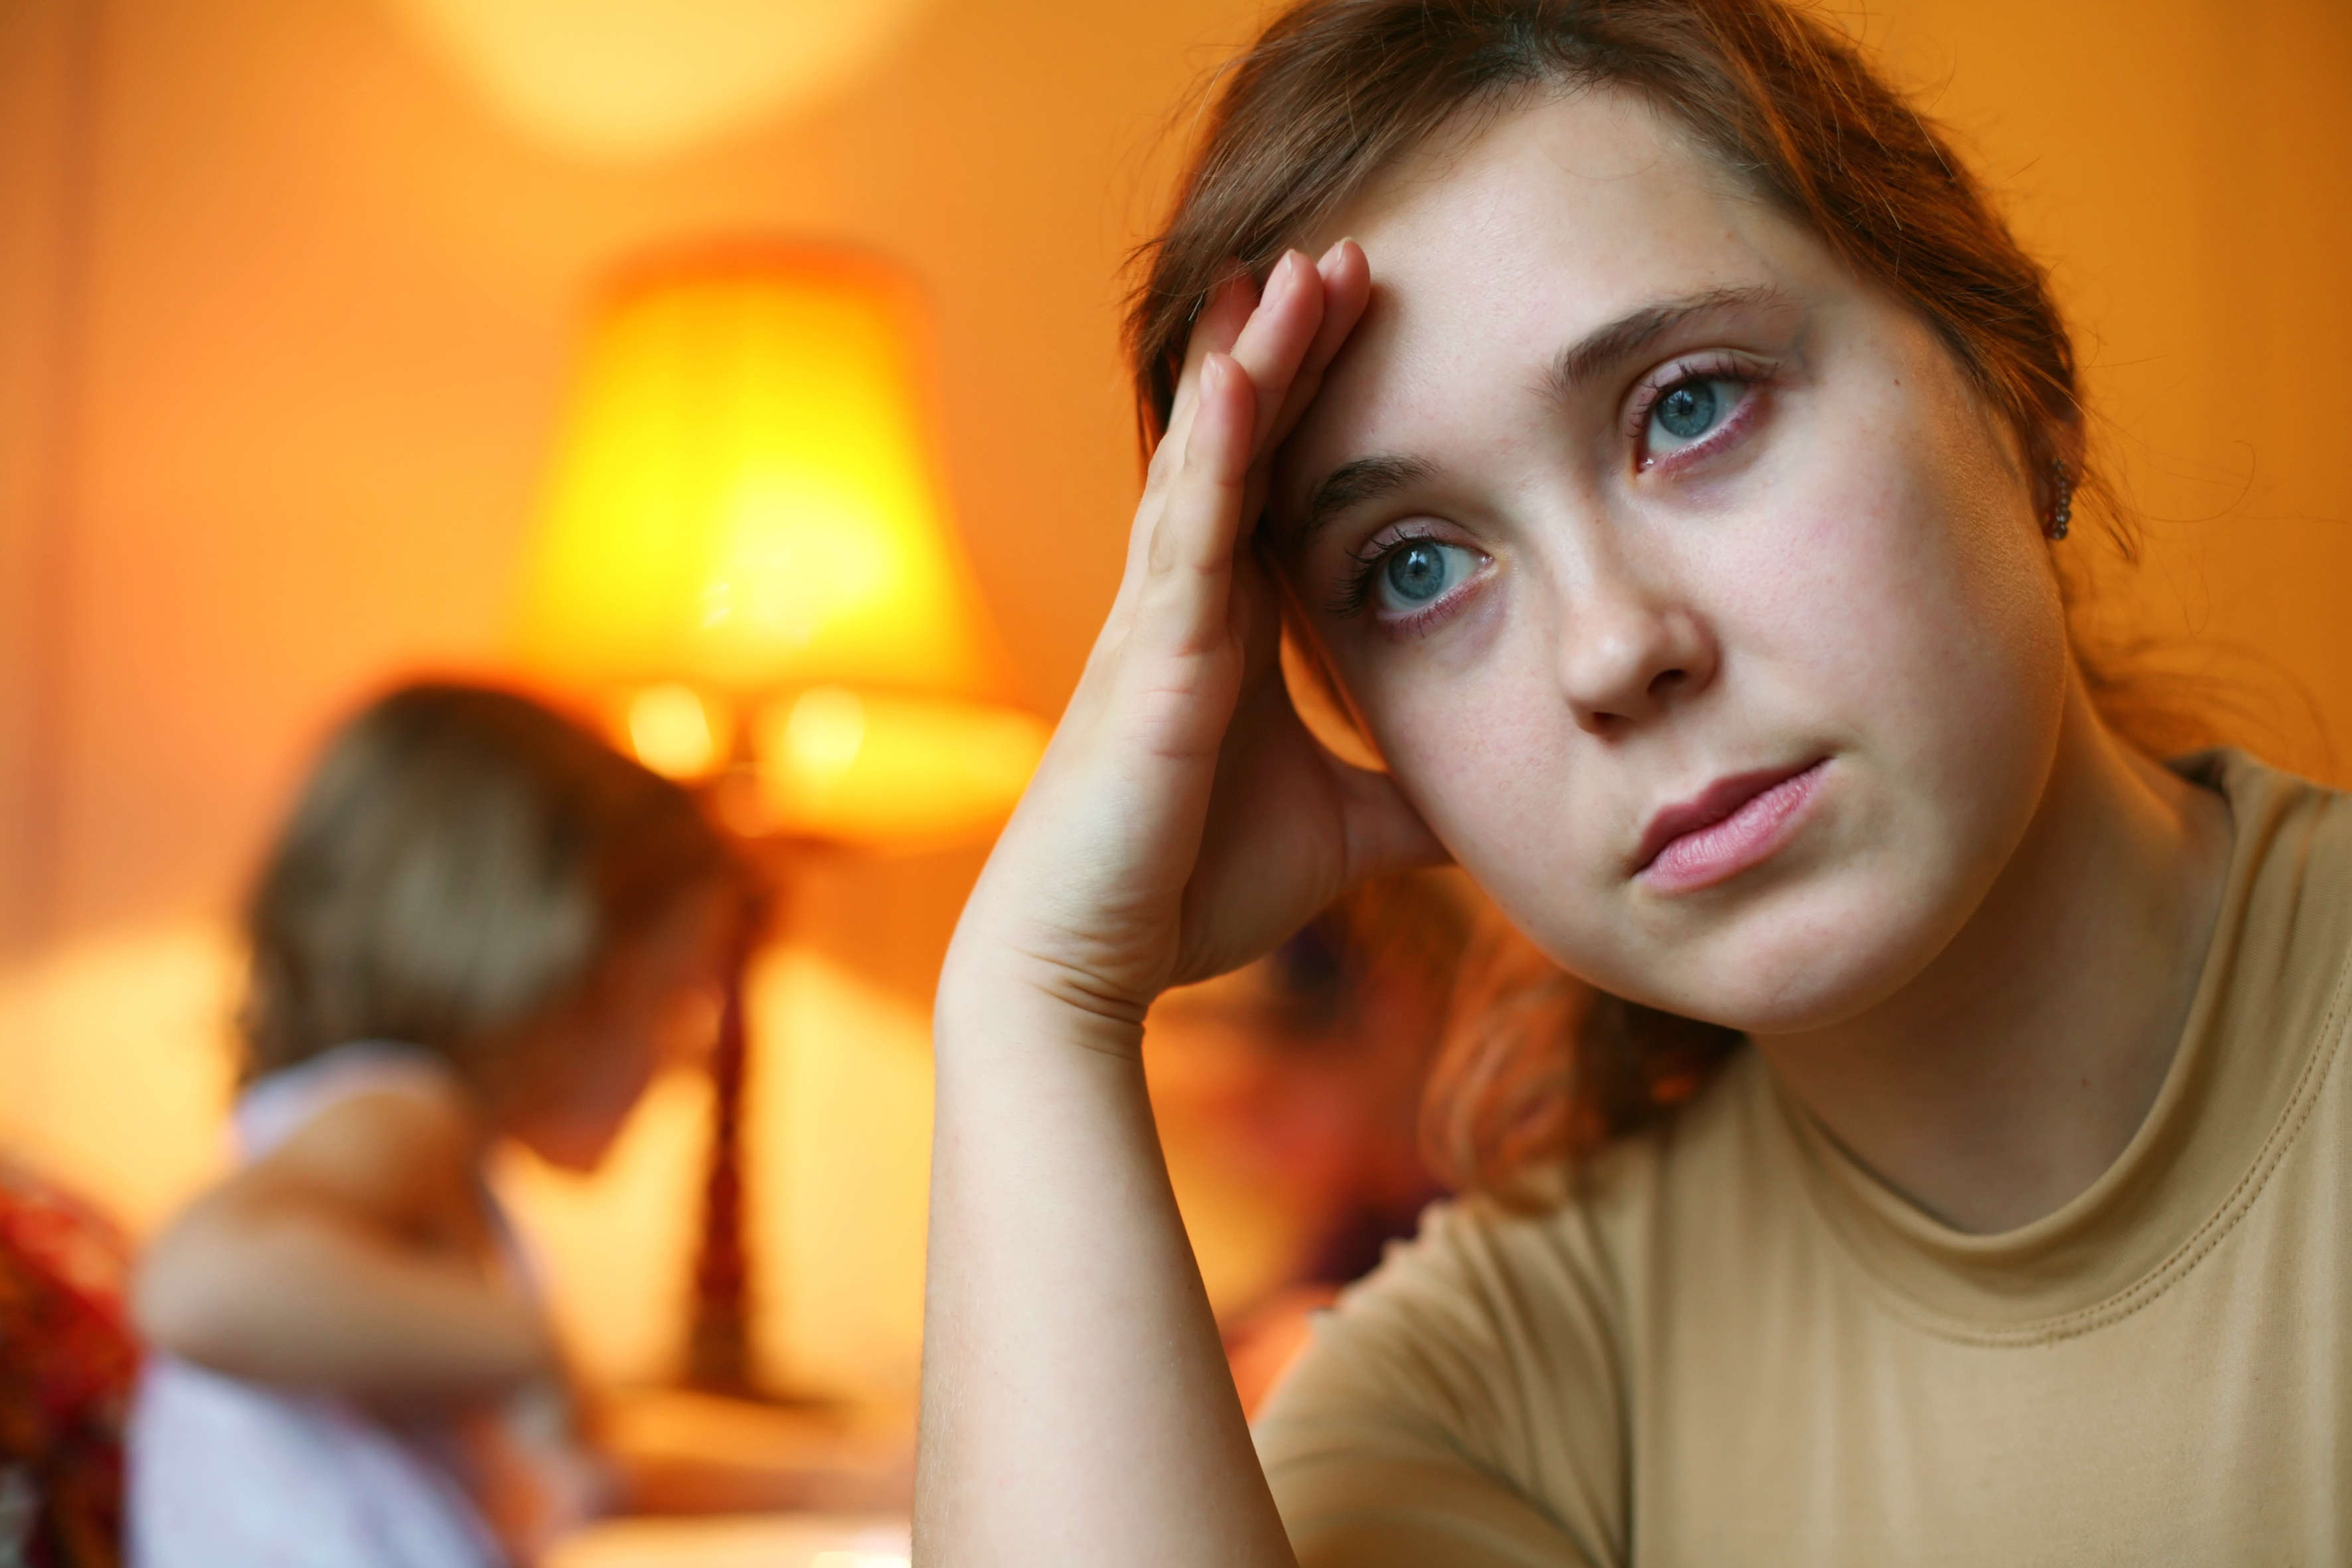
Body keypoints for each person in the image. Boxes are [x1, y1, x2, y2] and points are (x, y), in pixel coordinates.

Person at [913, 0, 2350, 1562]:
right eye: (1412, 569)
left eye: (1689, 404)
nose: (1608, 648)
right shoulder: (1499, 1384)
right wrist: (1033, 1000)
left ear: (2021, 384)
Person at [127, 681, 744, 1567]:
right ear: (550, 961)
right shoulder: (397, 1112)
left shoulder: (431, 1157)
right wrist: (523, 1345)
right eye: (672, 998)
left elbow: (593, 1458)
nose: (688, 1056)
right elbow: (195, 1286)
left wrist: (842, 1479)